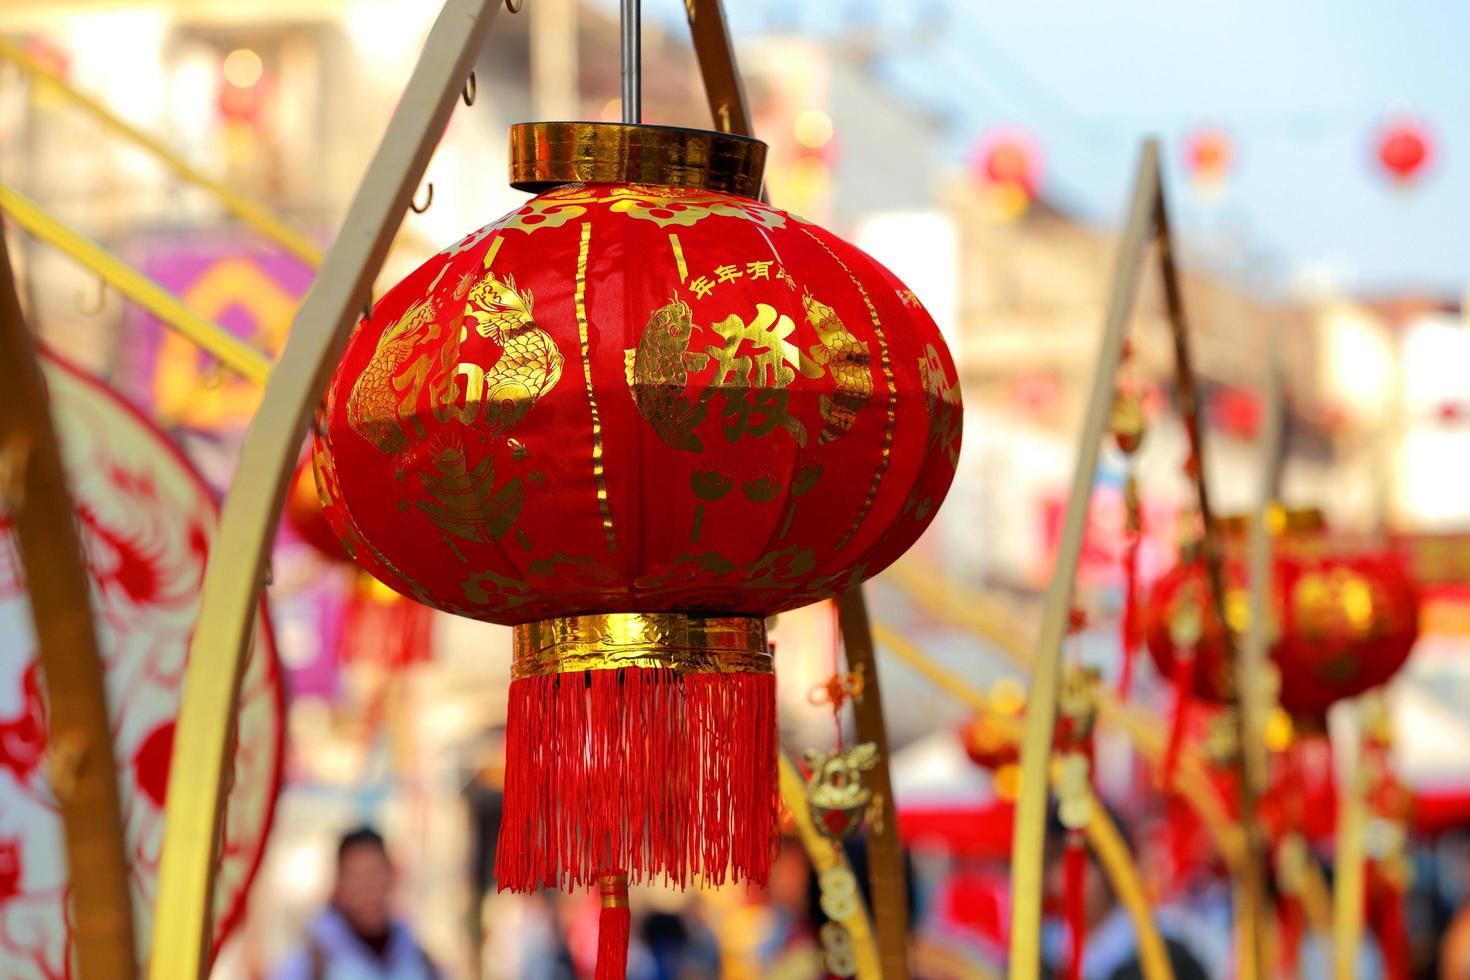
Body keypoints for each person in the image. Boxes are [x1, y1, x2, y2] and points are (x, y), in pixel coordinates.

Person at [275, 827, 439, 979]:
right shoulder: (310, 961)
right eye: (357, 877)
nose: (367, 888)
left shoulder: (418, 958)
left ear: (390, 877)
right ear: (339, 884)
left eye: (375, 874)